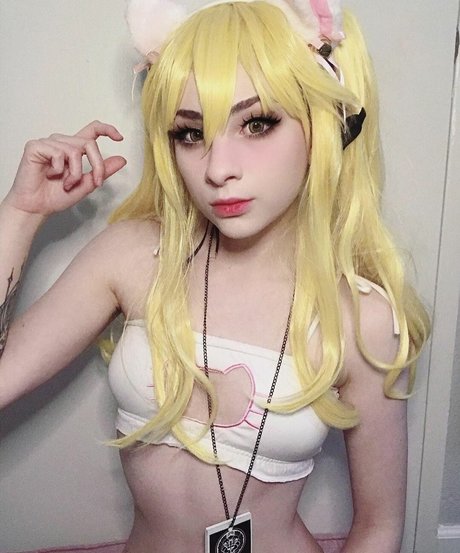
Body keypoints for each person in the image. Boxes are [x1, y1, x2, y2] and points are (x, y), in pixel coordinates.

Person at [0, 1, 430, 552]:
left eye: (258, 123)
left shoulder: (362, 316)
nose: (217, 169)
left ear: (324, 126)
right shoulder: (132, 256)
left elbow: (378, 526)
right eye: (190, 133)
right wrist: (21, 213)